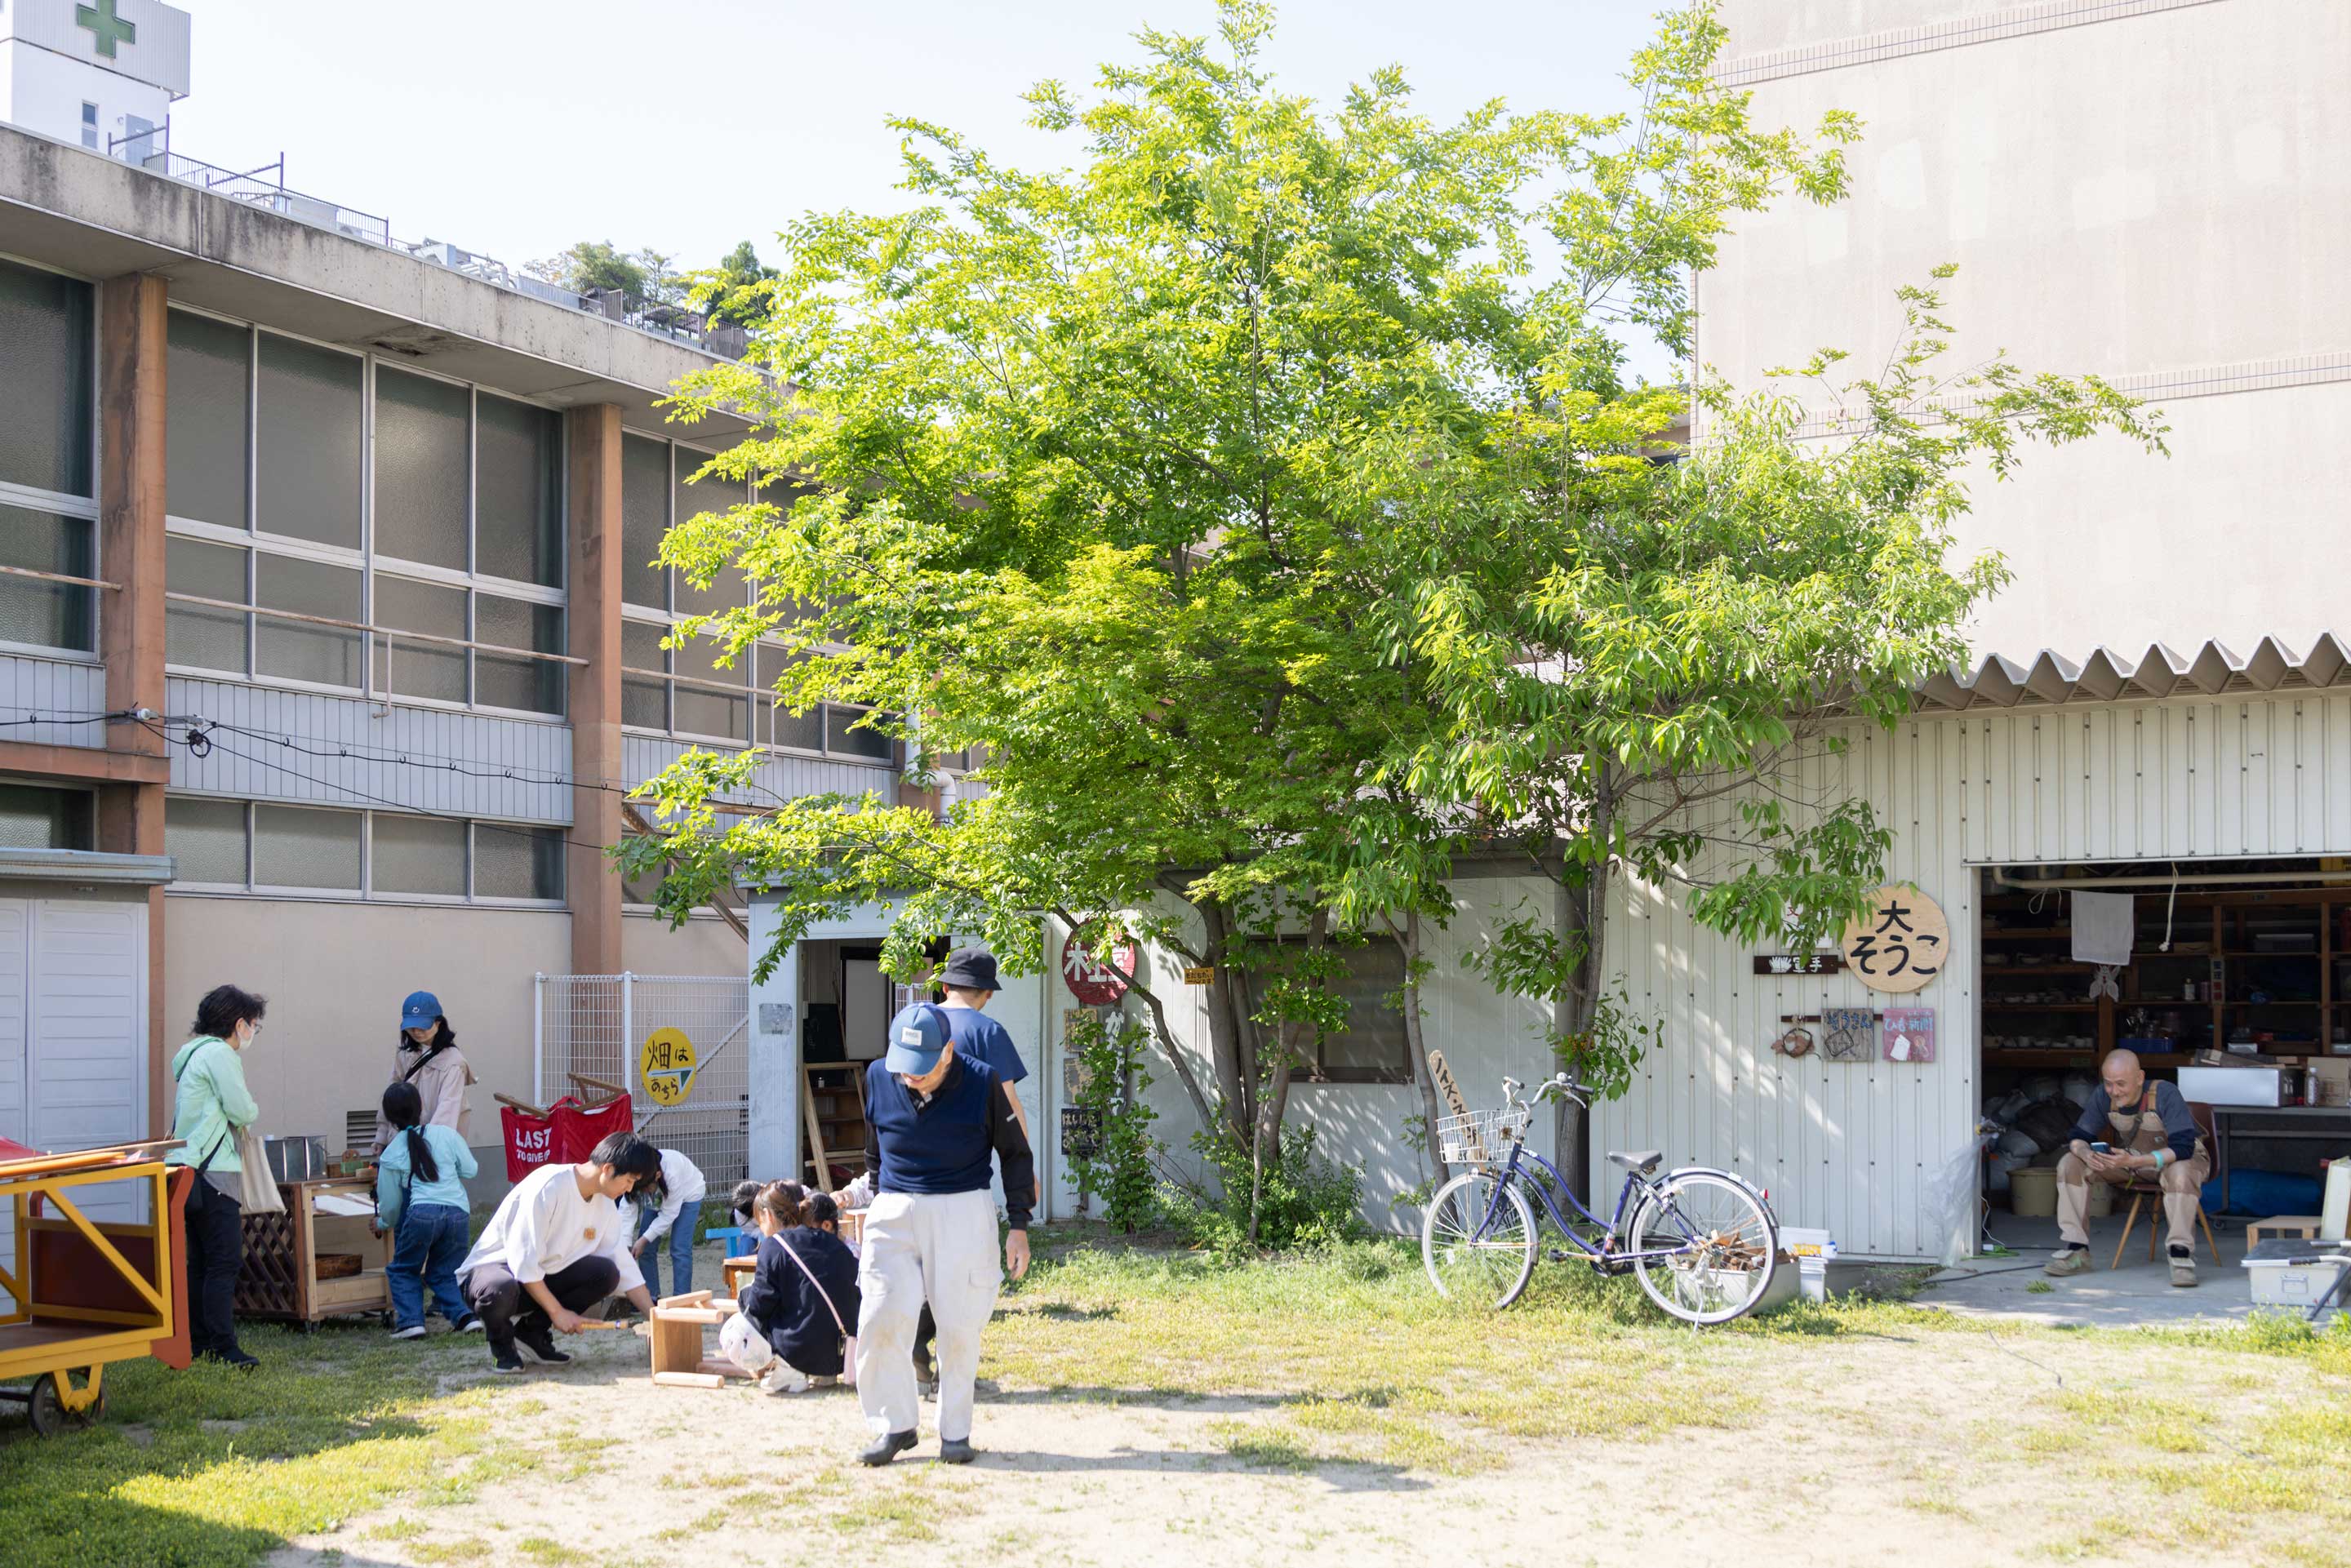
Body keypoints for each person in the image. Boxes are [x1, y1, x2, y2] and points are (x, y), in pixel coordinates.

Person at [853, 1001, 1034, 1468]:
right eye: (904, 1067)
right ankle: (894, 1426)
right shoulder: (879, 1076)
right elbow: (874, 1147)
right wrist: (880, 1199)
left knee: (958, 1324)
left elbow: (1015, 1154)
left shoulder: (982, 1082)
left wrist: (1018, 1226)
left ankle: (955, 1431)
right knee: (879, 1317)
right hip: (894, 1207)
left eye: (922, 1069)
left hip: (962, 1207)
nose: (910, 1077)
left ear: (948, 1052)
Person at [910, 945, 1032, 1395]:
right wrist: (1025, 1162)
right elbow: (1009, 1104)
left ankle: (918, 1350)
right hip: (967, 1176)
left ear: (944, 986)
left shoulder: (916, 1022)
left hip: (914, 1173)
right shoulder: (989, 1031)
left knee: (921, 1271)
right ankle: (951, 1372)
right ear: (986, 994)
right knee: (963, 1275)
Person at [458, 1130, 661, 1373]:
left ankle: (531, 1333)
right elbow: (523, 1261)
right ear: (608, 1169)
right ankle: (502, 1346)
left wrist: (656, 1317)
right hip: (495, 1273)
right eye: (628, 1181)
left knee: (606, 1273)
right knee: (500, 1288)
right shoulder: (547, 1187)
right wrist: (558, 1313)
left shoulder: (605, 1205)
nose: (629, 1189)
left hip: (538, 1278)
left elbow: (623, 1264)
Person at [2045, 1050, 2211, 1286]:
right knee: (2070, 1163)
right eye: (2109, 1084)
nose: (2114, 1091)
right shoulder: (2104, 1095)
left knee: (2180, 1173)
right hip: (2132, 1161)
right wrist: (2085, 1153)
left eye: (2121, 1084)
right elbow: (2078, 1137)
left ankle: (2180, 1256)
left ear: (2140, 1078)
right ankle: (2077, 1251)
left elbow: (2183, 1148)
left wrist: (2136, 1162)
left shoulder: (2165, 1093)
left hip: (2178, 1161)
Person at [167, 985, 267, 1370]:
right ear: (238, 1024)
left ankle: (201, 1343)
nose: (253, 1033)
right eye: (254, 1025)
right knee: (223, 1262)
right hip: (215, 1172)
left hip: (188, 1170)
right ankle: (224, 1347)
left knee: (201, 1263)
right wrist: (253, 1107)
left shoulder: (193, 1055)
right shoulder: (220, 1054)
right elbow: (241, 1109)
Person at [721, 1179, 863, 1395]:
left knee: (736, 1329)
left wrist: (744, 1296)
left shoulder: (774, 1246)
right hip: (841, 1352)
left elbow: (759, 1306)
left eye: (760, 1223)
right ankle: (823, 1373)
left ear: (768, 1216)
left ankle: (791, 1370)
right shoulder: (830, 1239)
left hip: (799, 1348)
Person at [375, 1081, 482, 1338]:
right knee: (445, 1272)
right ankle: (466, 1317)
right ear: (421, 1108)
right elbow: (471, 1169)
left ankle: (411, 1323)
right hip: (458, 1213)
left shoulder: (392, 1153)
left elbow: (390, 1206)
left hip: (422, 1214)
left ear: (390, 1118)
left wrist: (381, 1223)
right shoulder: (446, 1134)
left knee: (403, 1269)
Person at [370, 991, 476, 1157]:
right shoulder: (405, 1051)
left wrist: (425, 1152)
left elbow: (446, 1113)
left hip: (432, 1152)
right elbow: (393, 1093)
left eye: (423, 1025)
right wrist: (382, 1135)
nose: (416, 1031)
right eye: (411, 1026)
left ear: (438, 1023)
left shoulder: (454, 1063)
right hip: (401, 1142)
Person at [627, 1145, 709, 1299]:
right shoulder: (638, 1173)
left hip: (689, 1195)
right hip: (660, 1196)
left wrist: (643, 1240)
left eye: (645, 1188)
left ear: (657, 1175)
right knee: (646, 1250)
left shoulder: (671, 1173)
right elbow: (628, 1208)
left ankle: (681, 1299)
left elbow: (669, 1214)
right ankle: (651, 1298)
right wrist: (626, 1242)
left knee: (679, 1248)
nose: (643, 1191)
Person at [726, 1179, 764, 1259]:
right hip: (753, 1235)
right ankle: (744, 1269)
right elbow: (749, 1231)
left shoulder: (772, 1200)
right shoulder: (740, 1212)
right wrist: (761, 1234)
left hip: (775, 1236)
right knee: (747, 1243)